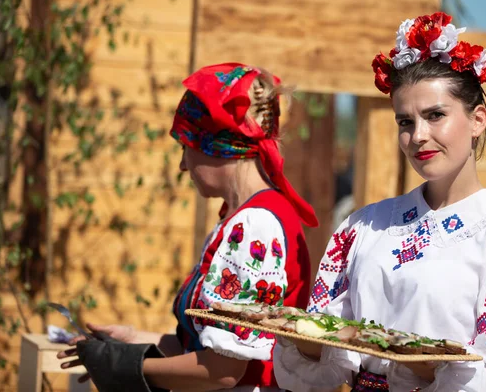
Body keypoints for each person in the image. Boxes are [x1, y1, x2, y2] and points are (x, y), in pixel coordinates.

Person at [273, 12, 486, 391]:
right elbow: (327, 353)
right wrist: (308, 342)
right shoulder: (364, 227)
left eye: (435, 115)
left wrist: (429, 372)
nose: (418, 136)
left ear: (478, 120)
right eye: (405, 122)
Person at [57, 63, 317, 392]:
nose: (183, 165)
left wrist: (123, 365)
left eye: (185, 147)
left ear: (217, 146)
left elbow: (222, 371)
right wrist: (131, 342)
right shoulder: (243, 219)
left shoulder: (255, 227)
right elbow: (204, 350)